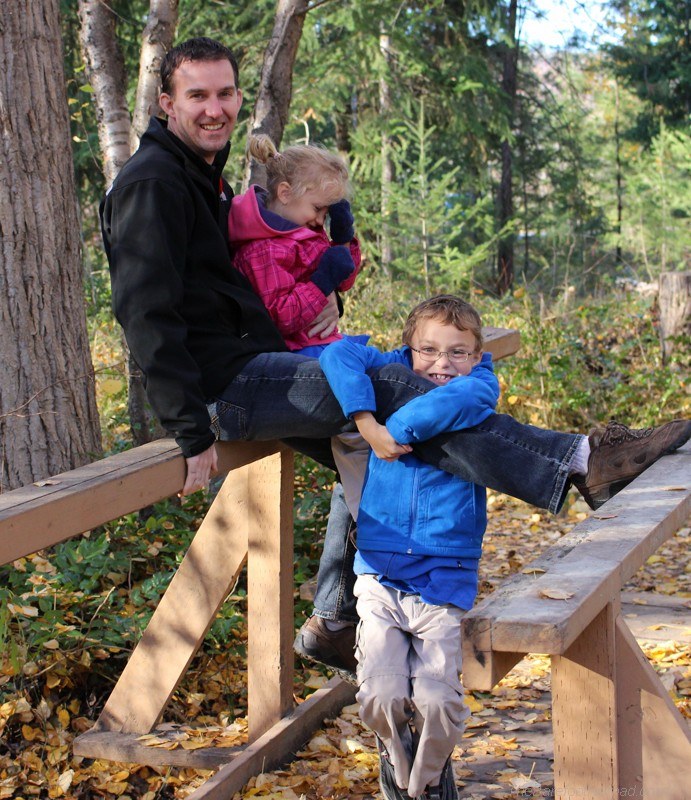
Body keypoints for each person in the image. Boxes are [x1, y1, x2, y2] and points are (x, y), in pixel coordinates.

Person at [100, 36, 691, 683]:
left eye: (223, 94)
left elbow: (223, 293)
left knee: (381, 435)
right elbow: (144, 313)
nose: (214, 108)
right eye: (197, 96)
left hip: (252, 362)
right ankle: (582, 463)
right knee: (390, 384)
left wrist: (309, 311)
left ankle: (337, 618)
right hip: (225, 387)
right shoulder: (153, 183)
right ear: (166, 102)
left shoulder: (196, 178)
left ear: (238, 97)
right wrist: (188, 429)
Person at [319, 295, 499, 800]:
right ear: (408, 348)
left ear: (478, 354)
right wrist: (366, 424)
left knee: (439, 700)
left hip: (444, 574)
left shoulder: (480, 385)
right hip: (380, 572)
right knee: (381, 691)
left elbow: (456, 400)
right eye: (429, 349)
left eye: (458, 352)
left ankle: (428, 773)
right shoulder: (391, 370)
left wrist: (393, 429)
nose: (442, 364)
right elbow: (337, 354)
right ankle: (399, 760)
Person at [229, 134, 364, 355]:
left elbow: (344, 281)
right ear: (285, 193)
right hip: (297, 350)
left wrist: (343, 241)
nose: (321, 220)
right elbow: (280, 317)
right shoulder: (263, 249)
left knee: (389, 367)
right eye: (318, 208)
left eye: (327, 212)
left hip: (323, 341)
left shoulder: (306, 230)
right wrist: (322, 284)